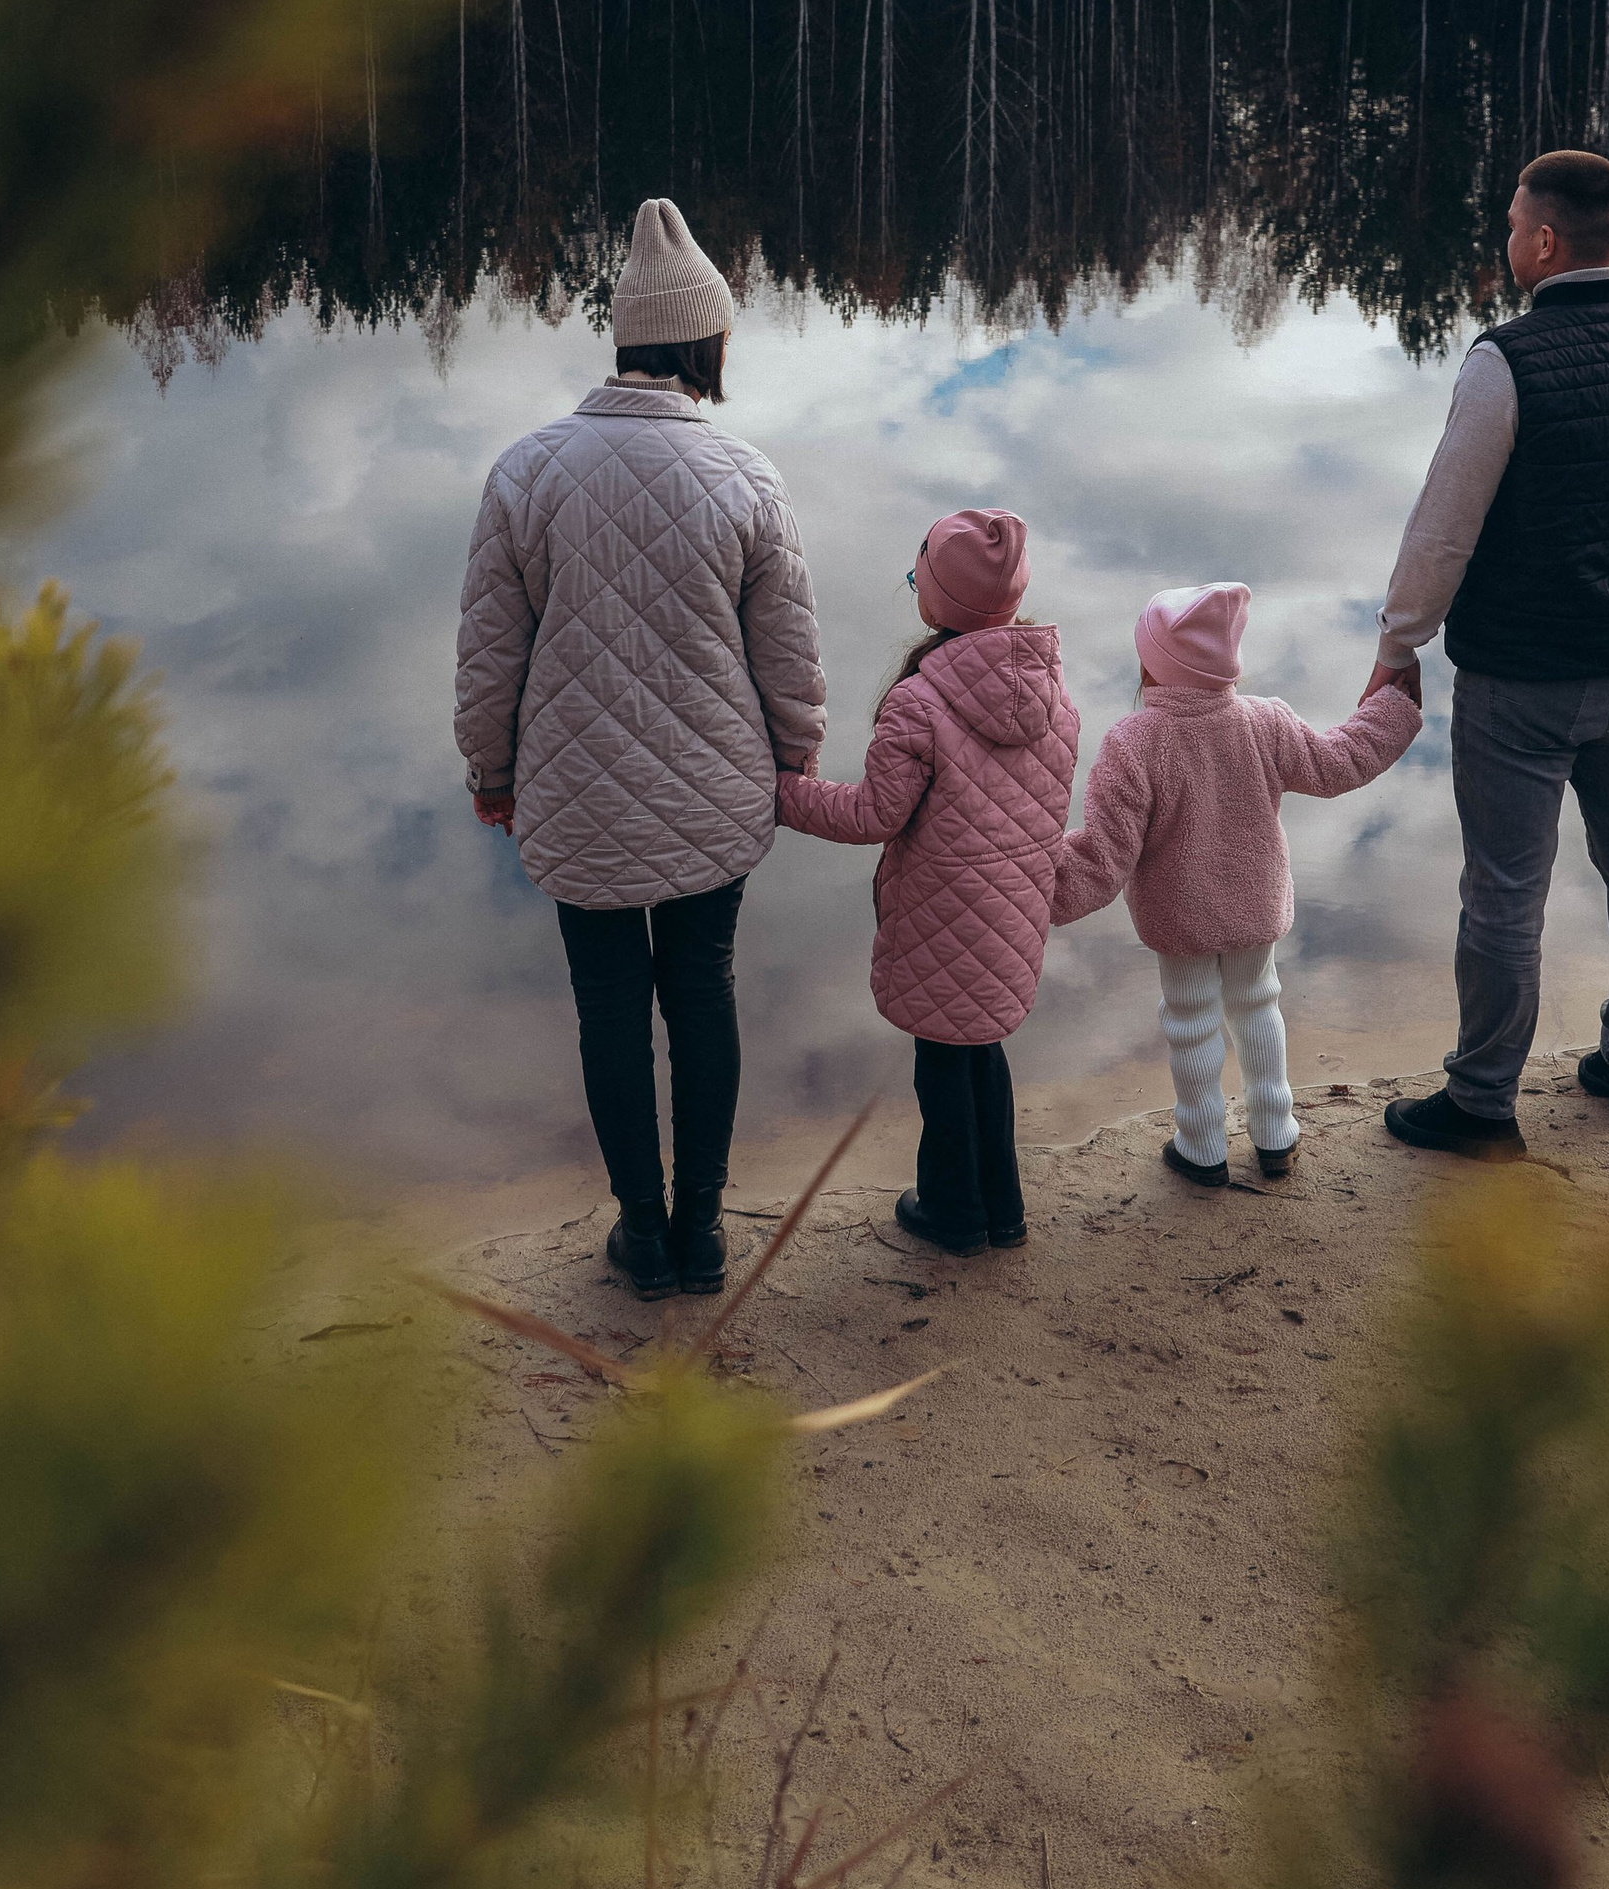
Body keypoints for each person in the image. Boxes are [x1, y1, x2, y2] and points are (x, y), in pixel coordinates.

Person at [454, 197, 825, 1299]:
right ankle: (703, 1232)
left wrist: (491, 771)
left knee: (608, 1008)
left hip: (574, 795)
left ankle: (643, 1235)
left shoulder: (525, 472)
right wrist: (796, 757)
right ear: (707, 343)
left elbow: (490, 653)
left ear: (626, 342)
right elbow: (787, 652)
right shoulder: (746, 475)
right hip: (717, 787)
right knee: (702, 989)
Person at [1367, 148, 1609, 1161]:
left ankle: (1483, 1102)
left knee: (1503, 891)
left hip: (1520, 681)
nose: (1508, 238)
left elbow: (1444, 528)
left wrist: (1398, 643)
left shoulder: (1506, 360)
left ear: (1546, 241)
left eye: (1514, 224)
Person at [775, 508, 1079, 1258]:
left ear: (938, 601)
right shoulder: (1056, 696)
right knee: (982, 1054)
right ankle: (1002, 1207)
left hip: (941, 918)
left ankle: (953, 1212)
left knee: (941, 1064)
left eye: (919, 580)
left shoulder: (919, 701)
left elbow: (873, 814)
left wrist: (782, 792)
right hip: (1014, 915)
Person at [1054, 582, 1422, 1186]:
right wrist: (1391, 709)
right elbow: (1337, 763)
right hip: (1255, 903)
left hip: (1181, 916)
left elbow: (1102, 857)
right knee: (1258, 1006)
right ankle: (1276, 1135)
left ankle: (1201, 1146)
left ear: (1151, 664)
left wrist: (1022, 879)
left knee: (1190, 1020)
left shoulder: (1133, 742)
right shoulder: (1263, 720)